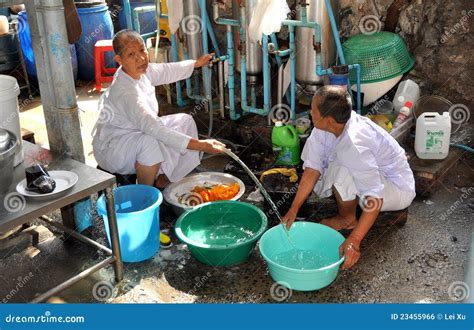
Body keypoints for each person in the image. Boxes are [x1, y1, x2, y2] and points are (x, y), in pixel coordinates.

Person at [282, 86, 416, 270]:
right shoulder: (328, 125)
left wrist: (354, 240)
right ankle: (348, 210)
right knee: (335, 166)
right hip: (372, 176)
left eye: (313, 111)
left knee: (341, 169)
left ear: (327, 119)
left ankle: (347, 219)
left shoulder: (355, 145)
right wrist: (293, 210)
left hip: (396, 187)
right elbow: (312, 169)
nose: (309, 113)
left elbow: (375, 199)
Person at [92, 30, 224, 189]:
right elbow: (154, 128)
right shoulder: (125, 91)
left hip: (137, 131)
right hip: (115, 147)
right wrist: (202, 145)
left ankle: (165, 177)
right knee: (150, 143)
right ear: (119, 60)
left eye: (142, 50)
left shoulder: (140, 70)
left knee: (185, 121)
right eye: (131, 54)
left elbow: (166, 70)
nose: (140, 58)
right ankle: (147, 194)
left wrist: (195, 64)